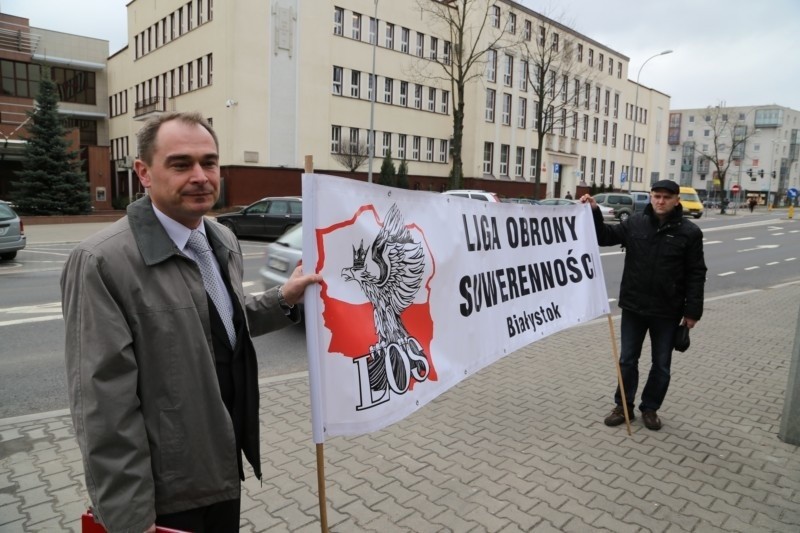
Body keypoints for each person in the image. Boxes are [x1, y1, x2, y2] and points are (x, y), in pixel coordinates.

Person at [61, 112, 322, 532]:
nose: (201, 176)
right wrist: (129, 518)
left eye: (210, 162)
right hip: (164, 492)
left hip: (220, 466)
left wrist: (282, 298)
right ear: (144, 173)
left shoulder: (221, 239)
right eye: (181, 164)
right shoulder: (101, 262)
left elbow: (219, 324)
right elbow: (102, 407)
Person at [580, 180, 706, 431]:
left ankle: (650, 408)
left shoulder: (689, 232)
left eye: (666, 197)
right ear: (650, 197)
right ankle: (623, 406)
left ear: (676, 200)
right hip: (634, 307)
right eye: (656, 196)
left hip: (667, 311)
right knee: (627, 359)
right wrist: (593, 210)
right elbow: (604, 236)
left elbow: (696, 273)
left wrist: (692, 312)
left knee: (661, 364)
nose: (660, 201)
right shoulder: (635, 223)